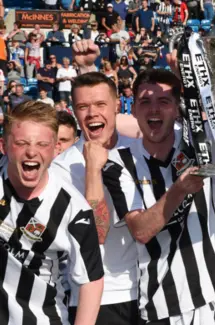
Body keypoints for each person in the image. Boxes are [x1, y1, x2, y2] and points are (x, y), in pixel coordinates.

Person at [101, 69, 215, 325]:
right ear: (133, 110)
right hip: (162, 305)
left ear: (177, 109)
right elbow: (141, 231)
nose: (153, 110)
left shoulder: (199, 144)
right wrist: (179, 189)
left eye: (163, 102)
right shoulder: (117, 163)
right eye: (145, 102)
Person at [51, 40, 142, 325]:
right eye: (82, 107)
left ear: (117, 105)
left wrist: (88, 67)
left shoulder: (138, 147)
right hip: (99, 300)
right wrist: (92, 170)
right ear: (74, 111)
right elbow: (96, 233)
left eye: (101, 104)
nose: (91, 113)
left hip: (150, 291)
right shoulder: (62, 168)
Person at [0, 100, 104, 324]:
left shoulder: (74, 208)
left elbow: (91, 280)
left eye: (42, 144)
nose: (31, 152)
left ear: (56, 148)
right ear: (4, 146)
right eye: (21, 143)